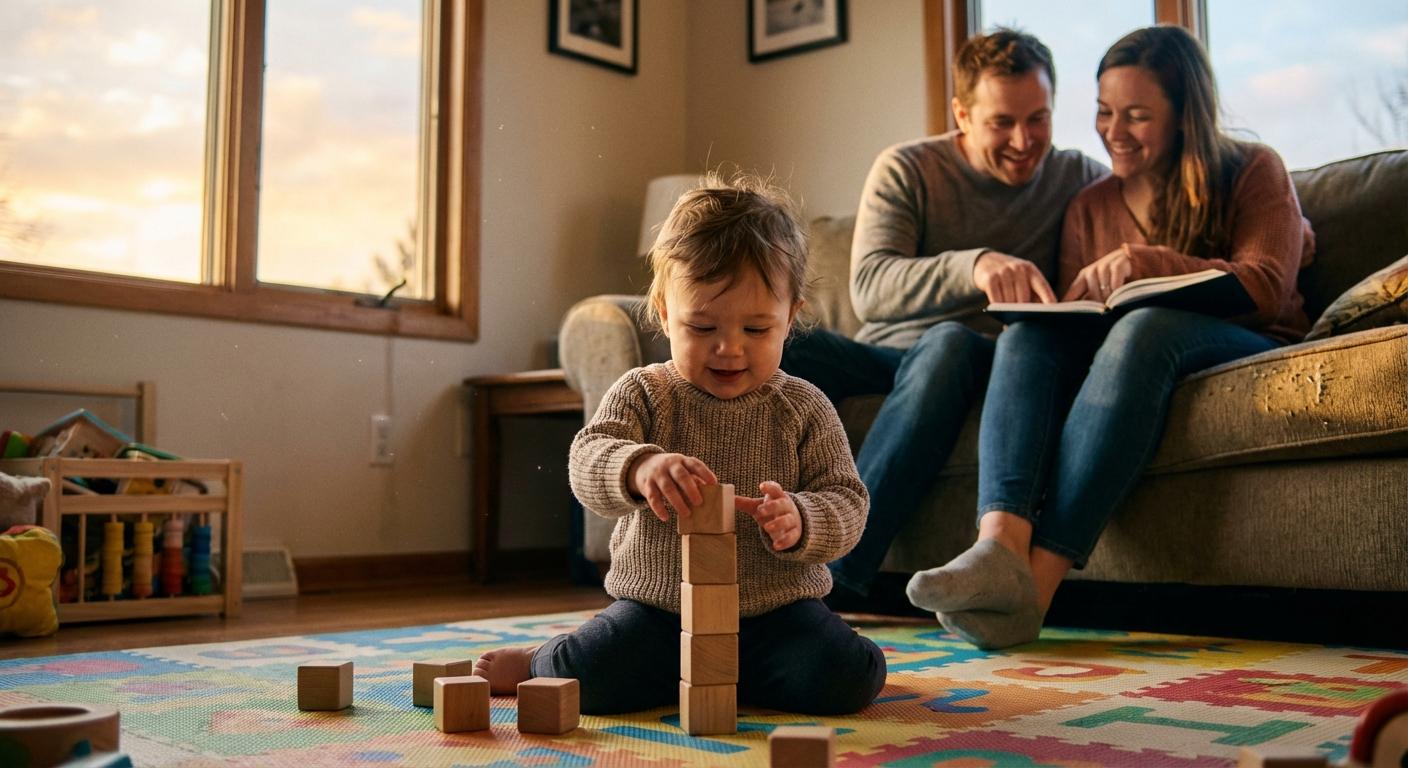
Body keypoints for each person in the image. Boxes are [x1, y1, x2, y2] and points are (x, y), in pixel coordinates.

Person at [906, 24, 1314, 649]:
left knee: (1146, 327)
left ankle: (1035, 592)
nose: (1113, 131)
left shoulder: (1253, 168)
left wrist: (1146, 262)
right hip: (1132, 356)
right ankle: (998, 546)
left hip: (1250, 343)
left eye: (1137, 115)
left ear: (1184, 116)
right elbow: (1081, 318)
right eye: (1102, 112)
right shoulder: (1089, 203)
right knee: (1024, 336)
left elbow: (1266, 285)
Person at [473, 173, 886, 715]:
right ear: (665, 314)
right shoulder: (645, 392)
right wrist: (640, 468)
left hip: (777, 614)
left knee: (846, 678)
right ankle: (539, 659)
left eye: (757, 330)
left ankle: (742, 678)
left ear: (792, 318)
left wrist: (804, 519)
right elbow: (588, 457)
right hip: (658, 611)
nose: (729, 349)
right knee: (591, 678)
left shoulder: (805, 406)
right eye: (702, 326)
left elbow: (848, 500)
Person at [781, 28, 1106, 609]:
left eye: (1039, 120)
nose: (1024, 140)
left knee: (948, 344)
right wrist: (974, 266)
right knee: (775, 344)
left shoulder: (1078, 177)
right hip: (885, 353)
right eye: (1002, 122)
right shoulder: (908, 168)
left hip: (980, 359)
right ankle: (690, 551)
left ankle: (832, 585)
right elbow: (870, 290)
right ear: (961, 113)